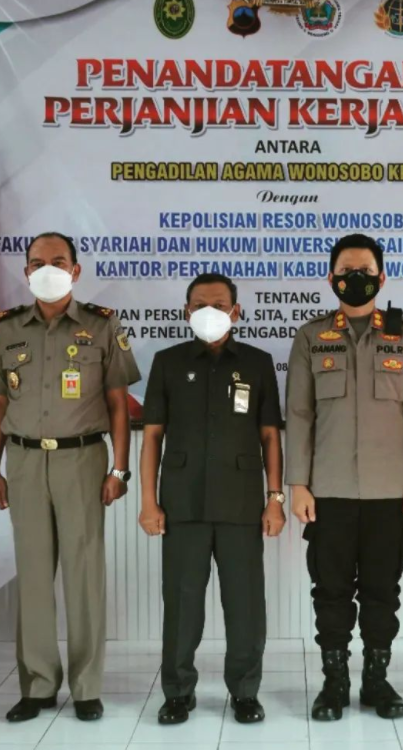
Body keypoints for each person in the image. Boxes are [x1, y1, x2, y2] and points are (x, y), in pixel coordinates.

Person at [0, 232, 140, 722]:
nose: (47, 268)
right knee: (33, 577)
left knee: (84, 575)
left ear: (75, 270)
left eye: (58, 260)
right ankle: (38, 686)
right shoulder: (8, 328)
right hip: (24, 462)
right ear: (26, 271)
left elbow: (118, 405)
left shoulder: (102, 325)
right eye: (37, 262)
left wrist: (119, 468)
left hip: (82, 461)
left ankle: (86, 687)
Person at [285, 233, 403, 721]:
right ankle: (334, 684)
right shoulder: (311, 337)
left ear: (382, 277)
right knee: (330, 592)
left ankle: (377, 681)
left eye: (366, 271)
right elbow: (299, 414)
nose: (356, 278)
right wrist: (298, 484)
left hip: (390, 493)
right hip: (327, 492)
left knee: (381, 592)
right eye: (347, 271)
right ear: (331, 278)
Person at [139, 273, 284, 726]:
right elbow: (152, 436)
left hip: (241, 503)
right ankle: (178, 692)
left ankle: (245, 691)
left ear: (236, 312)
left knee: (245, 605)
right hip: (182, 503)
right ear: (186, 311)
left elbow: (270, 436)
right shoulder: (167, 362)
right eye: (200, 304)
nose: (209, 312)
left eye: (219, 305)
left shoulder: (258, 363)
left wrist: (275, 498)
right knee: (182, 604)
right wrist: (148, 501)